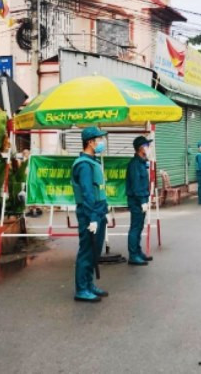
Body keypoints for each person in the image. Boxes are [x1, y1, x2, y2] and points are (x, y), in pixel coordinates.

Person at [70, 126, 110, 302]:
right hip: (89, 215)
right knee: (87, 251)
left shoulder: (93, 162)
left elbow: (99, 191)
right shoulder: (84, 165)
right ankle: (82, 289)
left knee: (95, 251)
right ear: (90, 142)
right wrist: (93, 218)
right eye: (99, 139)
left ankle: (89, 284)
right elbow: (87, 194)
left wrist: (104, 211)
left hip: (98, 213)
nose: (102, 142)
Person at [126, 136, 153, 266]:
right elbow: (137, 185)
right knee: (135, 228)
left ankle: (138, 251)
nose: (149, 148)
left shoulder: (141, 162)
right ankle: (133, 255)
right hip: (137, 201)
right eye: (147, 146)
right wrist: (142, 201)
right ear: (141, 148)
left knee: (139, 227)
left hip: (141, 200)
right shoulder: (135, 164)